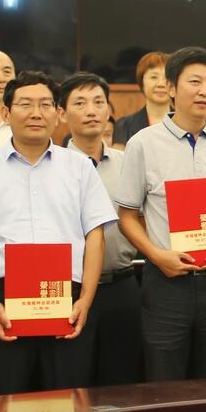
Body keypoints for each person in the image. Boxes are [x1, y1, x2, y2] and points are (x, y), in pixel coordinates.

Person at [0, 71, 116, 396]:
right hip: (3, 303)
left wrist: (86, 301)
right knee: (4, 404)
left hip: (68, 300)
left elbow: (96, 235)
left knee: (68, 401)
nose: (36, 113)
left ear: (58, 114)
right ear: (6, 113)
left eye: (45, 105)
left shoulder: (79, 168)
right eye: (25, 104)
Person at [117, 47, 206, 382]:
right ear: (171, 87)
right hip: (166, 283)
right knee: (164, 380)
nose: (204, 91)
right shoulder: (142, 144)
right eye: (195, 82)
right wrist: (156, 255)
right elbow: (126, 216)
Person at [60, 72, 143, 386]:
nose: (91, 111)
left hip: (122, 285)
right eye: (80, 103)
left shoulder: (128, 163)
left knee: (122, 382)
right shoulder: (53, 166)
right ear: (62, 113)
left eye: (98, 102)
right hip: (69, 290)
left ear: (109, 110)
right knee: (73, 381)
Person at [111, 51, 169, 149]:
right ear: (142, 82)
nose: (161, 84)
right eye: (154, 77)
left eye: (167, 78)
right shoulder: (124, 126)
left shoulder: (186, 124)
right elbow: (120, 158)